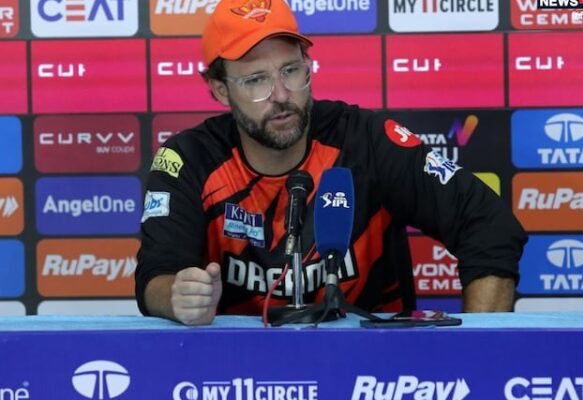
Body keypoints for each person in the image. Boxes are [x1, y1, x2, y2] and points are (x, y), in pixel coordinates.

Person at [135, 0, 528, 325]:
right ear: (221, 91)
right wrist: (178, 298)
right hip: (241, 369)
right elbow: (156, 276)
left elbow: (488, 225)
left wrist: (479, 348)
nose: (281, 94)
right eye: (256, 80)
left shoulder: (366, 141)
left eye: (291, 71)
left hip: (377, 369)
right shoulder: (189, 160)